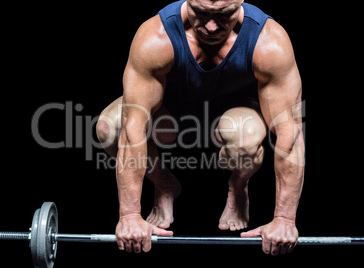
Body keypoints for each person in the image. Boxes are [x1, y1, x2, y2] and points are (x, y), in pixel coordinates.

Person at [96, 0, 304, 256]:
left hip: (235, 117)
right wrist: (129, 215)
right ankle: (164, 186)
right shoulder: (156, 38)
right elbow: (132, 128)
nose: (211, 26)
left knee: (246, 139)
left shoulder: (269, 42)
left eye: (224, 15)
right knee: (110, 127)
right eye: (201, 14)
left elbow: (290, 134)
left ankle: (238, 188)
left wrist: (284, 219)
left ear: (239, 2)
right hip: (169, 118)